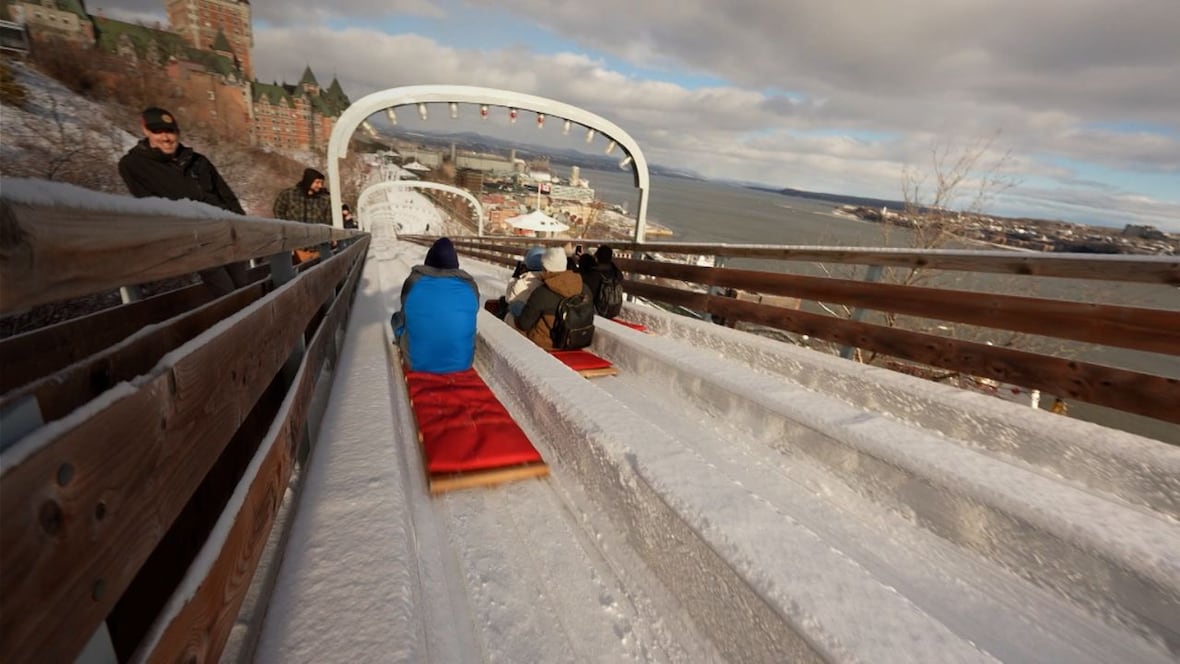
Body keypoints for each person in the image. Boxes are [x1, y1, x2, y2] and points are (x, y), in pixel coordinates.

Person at [118, 106, 247, 295]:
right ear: (145, 131)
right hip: (195, 239)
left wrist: (244, 230)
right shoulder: (133, 165)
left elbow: (227, 196)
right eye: (158, 131)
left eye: (170, 131)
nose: (166, 137)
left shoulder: (197, 160)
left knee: (242, 289)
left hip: (225, 234)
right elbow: (150, 205)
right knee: (226, 292)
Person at [390, 237, 479, 373]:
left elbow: (405, 310)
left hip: (417, 362)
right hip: (463, 363)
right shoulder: (470, 285)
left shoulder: (414, 281)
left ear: (428, 261)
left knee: (397, 319)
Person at [515, 247, 593, 350]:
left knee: (512, 317)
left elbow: (524, 324)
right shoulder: (584, 287)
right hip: (576, 340)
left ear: (547, 269)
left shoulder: (542, 292)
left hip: (548, 344)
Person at [274, 167, 332, 262]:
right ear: (309, 181)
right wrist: (286, 229)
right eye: (317, 182)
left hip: (317, 247)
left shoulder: (325, 199)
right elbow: (278, 210)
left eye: (321, 183)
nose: (320, 186)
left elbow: (328, 221)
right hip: (295, 246)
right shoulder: (289, 194)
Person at [502, 246, 545, 324]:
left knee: (509, 314)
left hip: (525, 324)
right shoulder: (548, 281)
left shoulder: (522, 283)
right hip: (540, 322)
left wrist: (515, 277)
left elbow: (508, 298)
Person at [583, 245, 625, 319]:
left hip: (598, 312)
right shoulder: (617, 273)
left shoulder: (593, 273)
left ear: (597, 257)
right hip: (615, 309)